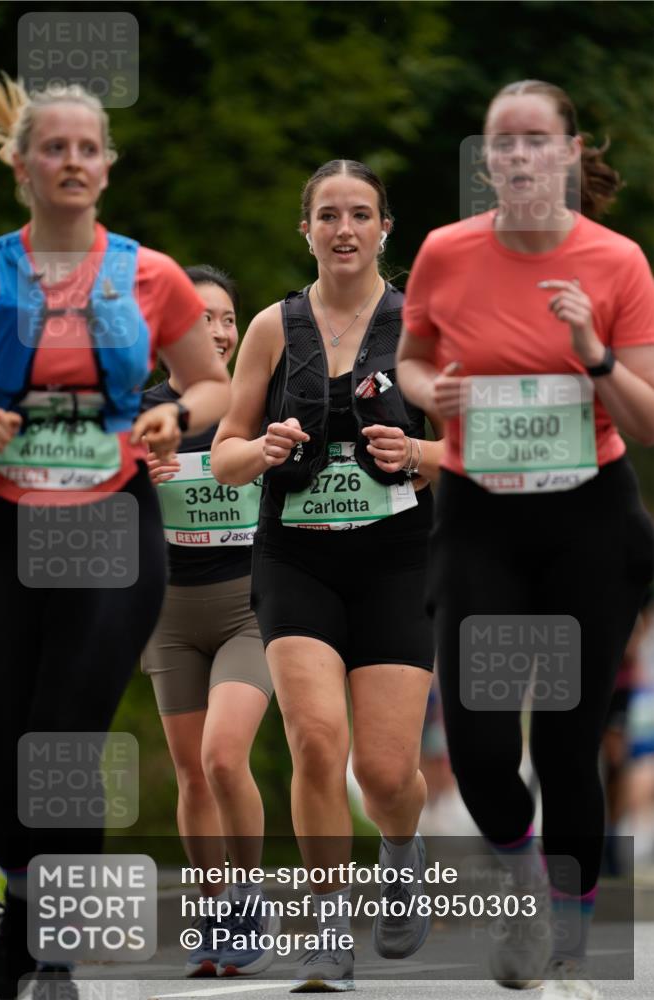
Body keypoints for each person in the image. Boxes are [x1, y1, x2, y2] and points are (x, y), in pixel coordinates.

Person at [396, 79, 654, 1000]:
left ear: (567, 153)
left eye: (533, 140)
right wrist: (433, 395)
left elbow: (649, 420)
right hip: (480, 515)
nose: (513, 157)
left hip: (588, 515)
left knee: (567, 743)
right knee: (473, 741)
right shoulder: (444, 252)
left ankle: (574, 961)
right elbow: (413, 358)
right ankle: (516, 871)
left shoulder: (617, 261)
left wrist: (592, 354)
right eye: (498, 144)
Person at [0, 76, 230, 1000]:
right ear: (22, 165)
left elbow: (207, 385)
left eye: (90, 149)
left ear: (107, 167)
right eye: (55, 147)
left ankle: (55, 952)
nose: (74, 162)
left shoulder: (149, 274)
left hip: (110, 524)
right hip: (2, 526)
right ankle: (22, 892)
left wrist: (175, 417)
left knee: (63, 737)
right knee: (3, 746)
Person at [211, 159, 443, 992]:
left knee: (384, 774)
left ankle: (400, 849)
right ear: (303, 229)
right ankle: (328, 931)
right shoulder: (274, 328)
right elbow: (228, 452)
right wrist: (261, 448)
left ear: (386, 229)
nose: (343, 229)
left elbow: (470, 449)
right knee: (315, 740)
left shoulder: (420, 322)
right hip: (295, 556)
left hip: (395, 560)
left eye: (360, 214)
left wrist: (419, 451)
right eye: (327, 215)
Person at [141, 265, 278, 978]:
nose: (218, 332)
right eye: (199, 319)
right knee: (193, 774)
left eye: (226, 318)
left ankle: (248, 899)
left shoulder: (256, 405)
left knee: (225, 756)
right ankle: (211, 909)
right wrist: (137, 481)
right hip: (166, 613)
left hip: (248, 607)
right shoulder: (145, 415)